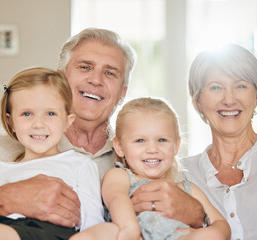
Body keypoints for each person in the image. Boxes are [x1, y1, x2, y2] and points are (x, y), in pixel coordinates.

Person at [0, 28, 205, 230]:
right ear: (61, 77)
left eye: (110, 73)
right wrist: (4, 199)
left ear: (122, 93)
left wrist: (195, 213)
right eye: (84, 67)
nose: (95, 80)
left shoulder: (142, 153)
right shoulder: (0, 149)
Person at [0, 68, 104, 239]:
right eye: (27, 114)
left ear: (67, 121)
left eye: (50, 113)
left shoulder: (80, 163)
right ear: (11, 122)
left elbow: (93, 224)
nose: (38, 124)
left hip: (47, 232)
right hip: (0, 229)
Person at [70, 97, 231, 240]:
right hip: (129, 233)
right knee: (105, 231)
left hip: (176, 237)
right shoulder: (120, 176)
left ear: (176, 146)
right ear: (119, 147)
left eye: (162, 140)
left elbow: (220, 223)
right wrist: (130, 228)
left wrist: (208, 232)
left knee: (213, 234)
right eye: (140, 141)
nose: (152, 149)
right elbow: (117, 199)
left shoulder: (187, 188)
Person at [181, 43, 257, 239]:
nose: (229, 99)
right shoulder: (181, 174)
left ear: (256, 95)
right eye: (216, 87)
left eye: (241, 86)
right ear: (198, 100)